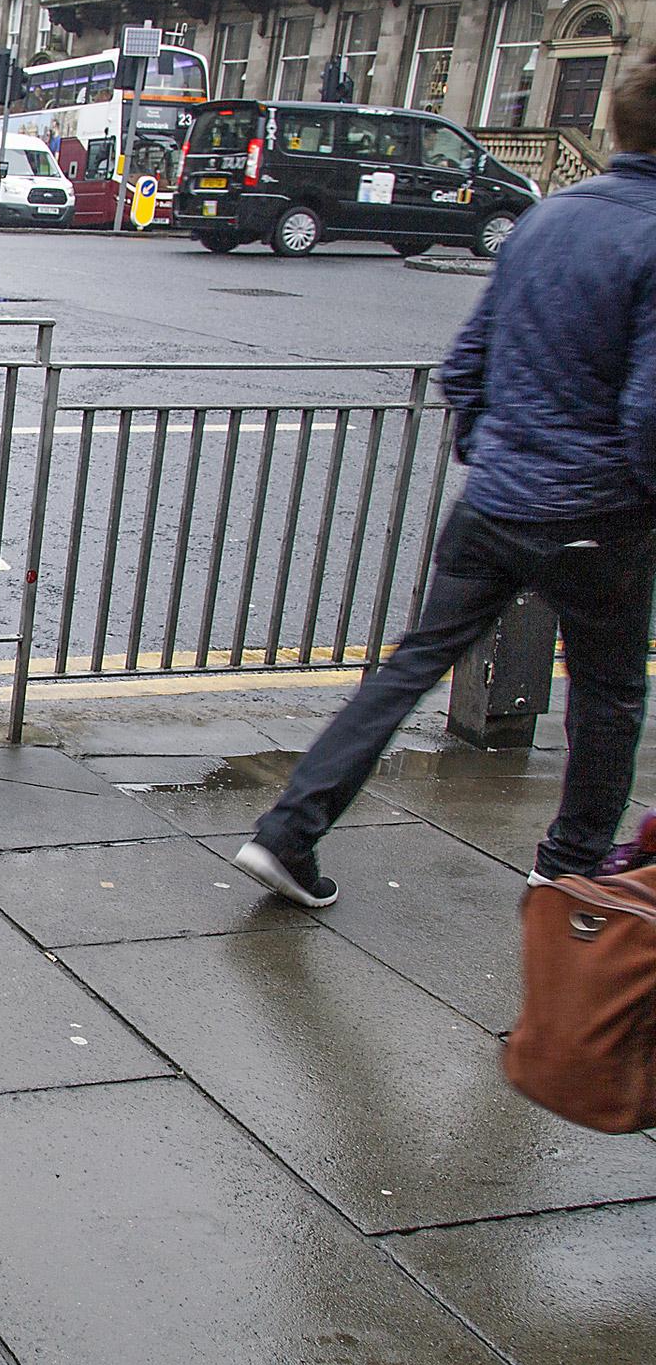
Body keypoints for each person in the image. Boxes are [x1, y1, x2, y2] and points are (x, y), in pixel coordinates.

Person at [235, 49, 656, 909]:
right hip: (595, 514)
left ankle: (288, 831)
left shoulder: (545, 218)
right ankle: (568, 870)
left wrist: (497, 451)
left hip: (496, 499)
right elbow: (649, 416)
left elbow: (466, 362)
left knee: (410, 665)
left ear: (615, 122)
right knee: (610, 694)